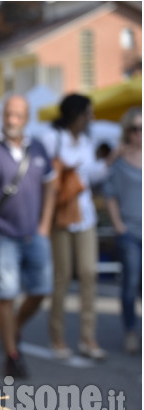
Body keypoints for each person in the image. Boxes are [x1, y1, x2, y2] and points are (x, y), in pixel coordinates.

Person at [0, 95, 56, 378]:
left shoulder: (37, 147)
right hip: (2, 234)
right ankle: (12, 354)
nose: (12, 120)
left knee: (41, 290)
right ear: (2, 116)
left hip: (34, 233)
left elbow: (51, 184)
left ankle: (13, 327)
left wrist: (45, 223)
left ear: (26, 117)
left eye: (18, 115)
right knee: (6, 295)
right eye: (8, 114)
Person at [40, 94, 114, 360]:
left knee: (88, 274)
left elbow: (91, 176)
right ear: (75, 114)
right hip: (60, 214)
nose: (90, 118)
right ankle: (56, 337)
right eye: (87, 113)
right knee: (62, 277)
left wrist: (108, 162)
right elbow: (44, 175)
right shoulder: (52, 138)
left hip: (85, 216)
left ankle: (87, 337)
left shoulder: (85, 141)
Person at [104, 107, 142, 355]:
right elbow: (110, 196)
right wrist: (119, 226)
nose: (140, 133)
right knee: (130, 284)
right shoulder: (119, 161)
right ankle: (130, 330)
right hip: (129, 231)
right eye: (135, 128)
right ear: (127, 131)